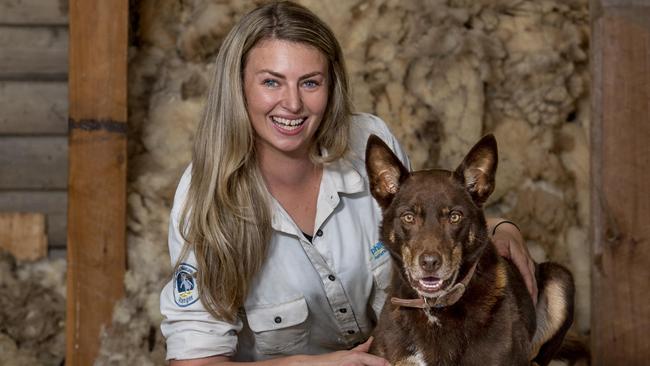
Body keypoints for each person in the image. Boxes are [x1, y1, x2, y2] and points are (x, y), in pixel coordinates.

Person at [160, 2, 537, 365]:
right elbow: (196, 364)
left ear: (332, 85)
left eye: (310, 82)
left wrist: (501, 228)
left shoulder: (368, 141)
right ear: (238, 87)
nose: (292, 104)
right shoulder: (203, 200)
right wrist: (315, 365)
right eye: (271, 82)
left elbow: (426, 218)